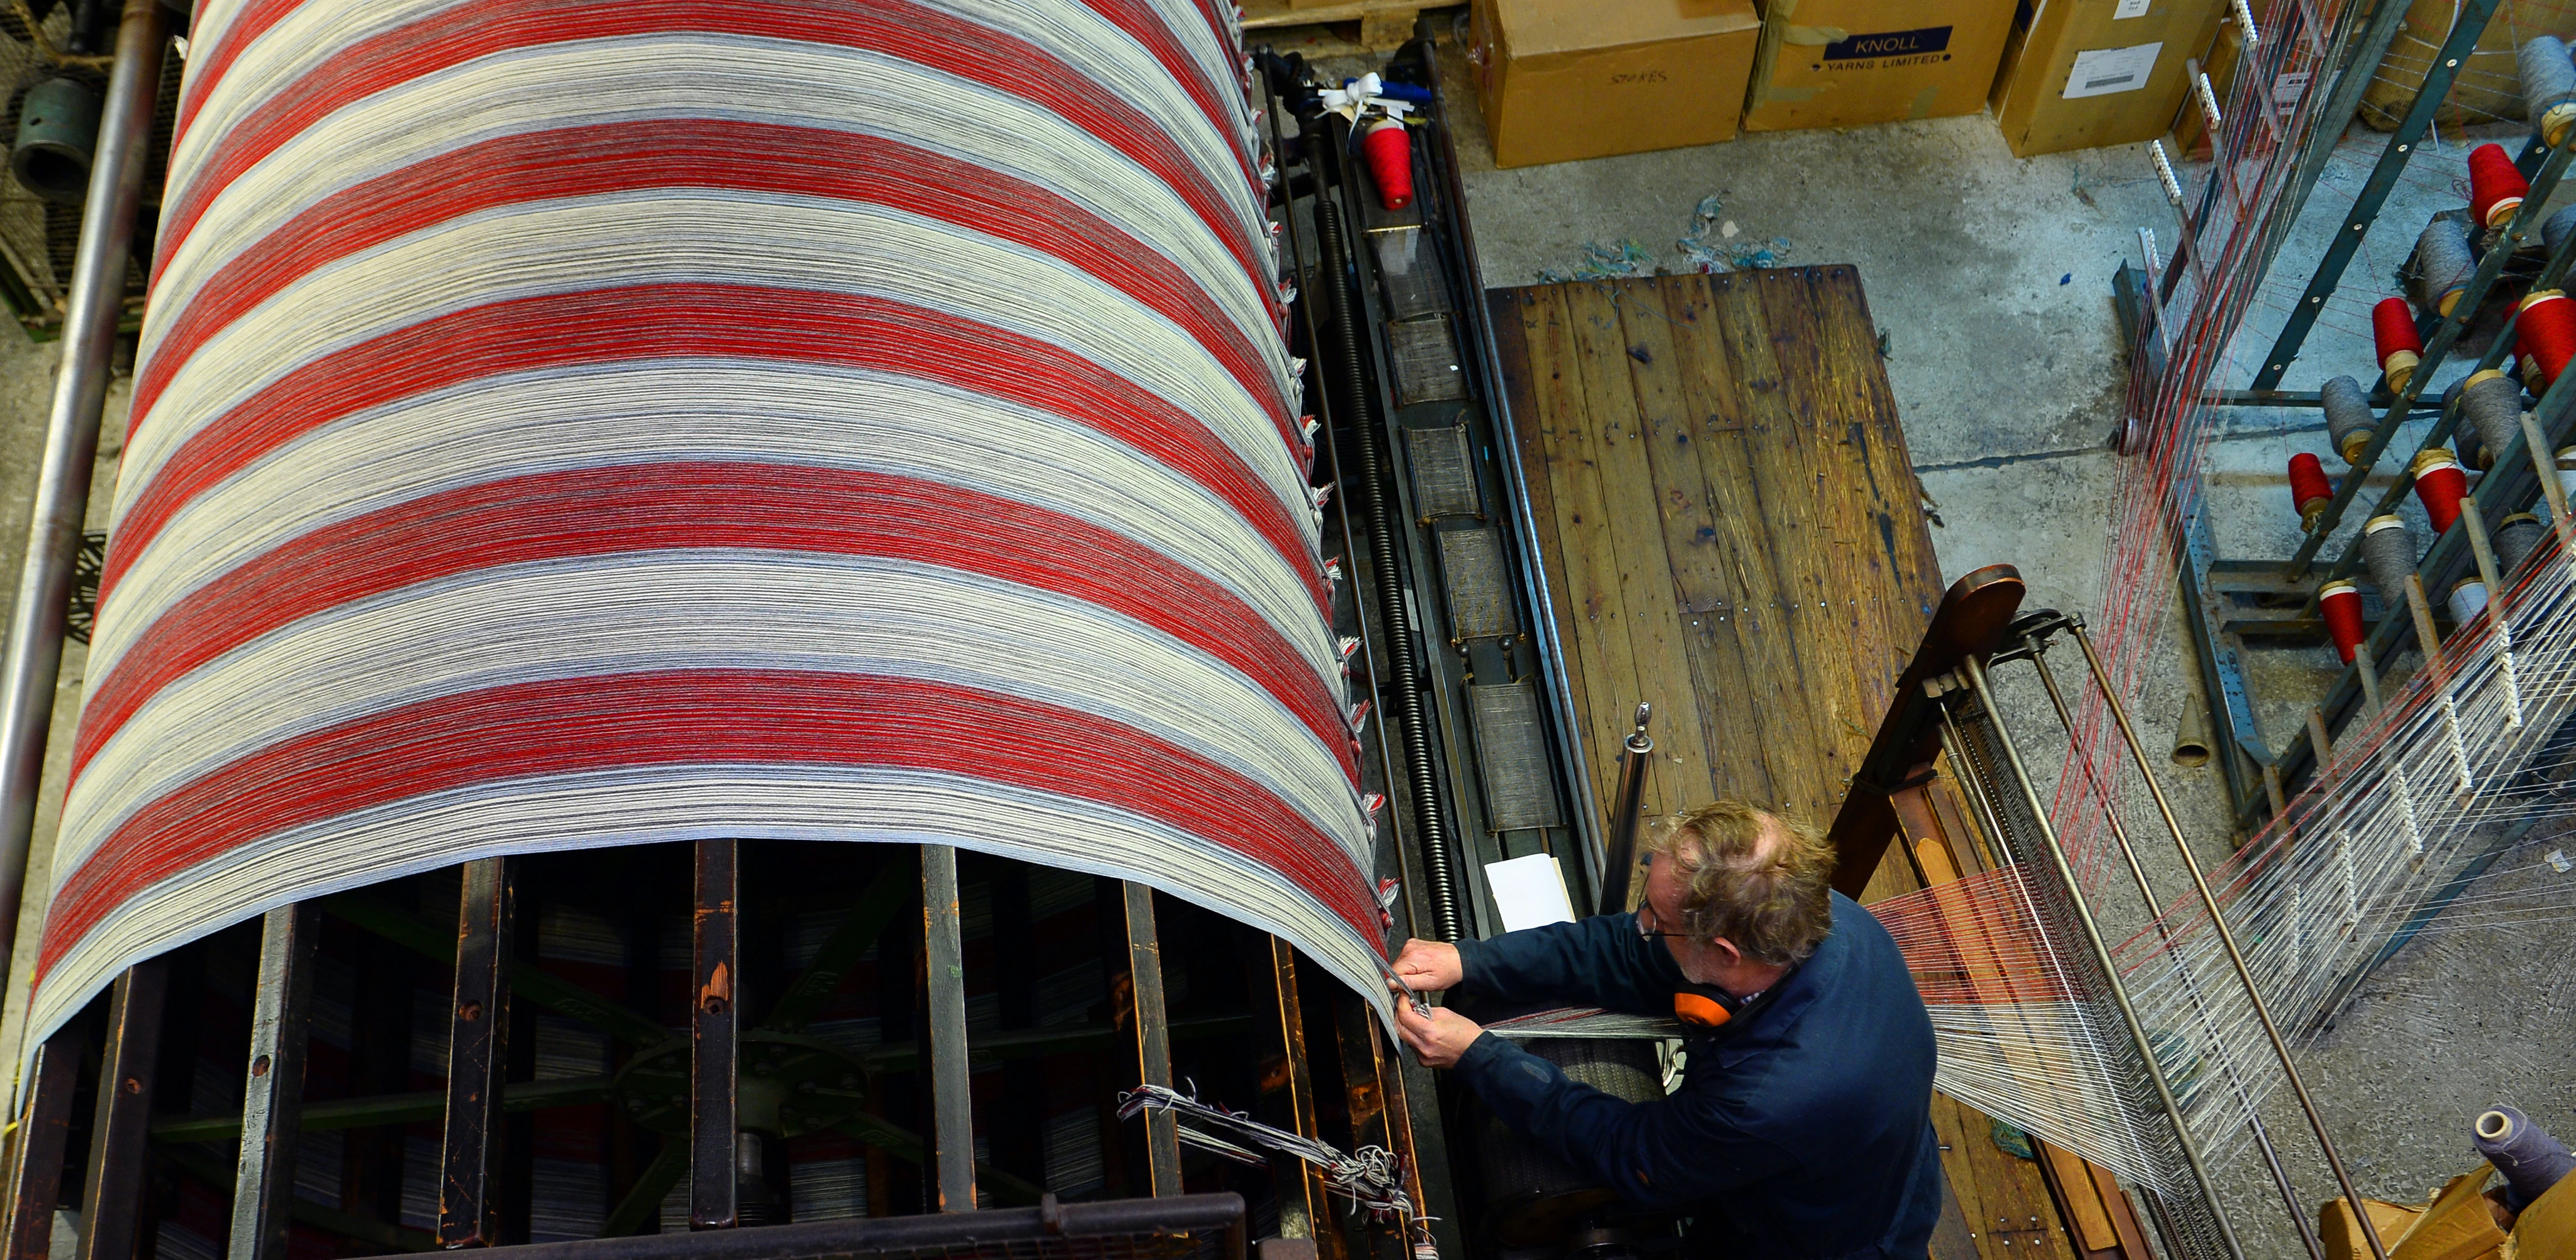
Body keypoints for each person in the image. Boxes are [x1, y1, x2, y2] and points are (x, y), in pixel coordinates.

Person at [1390, 799, 1942, 1258]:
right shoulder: (1811, 912)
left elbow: (1636, 1156)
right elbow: (1621, 951)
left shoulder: (1769, 1095)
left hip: (1812, 1235)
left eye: (1658, 921)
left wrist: (1478, 1056)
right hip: (1838, 1153)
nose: (1641, 925)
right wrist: (1472, 962)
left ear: (1724, 955)